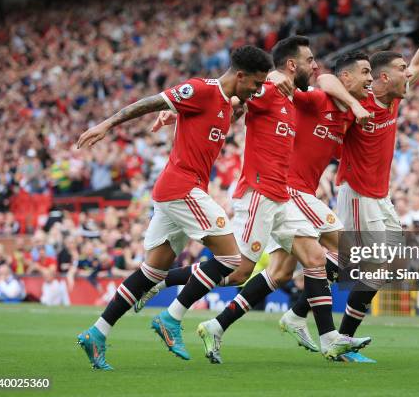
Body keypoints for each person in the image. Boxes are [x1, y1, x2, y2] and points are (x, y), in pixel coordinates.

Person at [139, 37, 372, 363]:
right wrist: (178, 115)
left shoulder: (295, 100)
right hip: (261, 193)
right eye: (309, 60)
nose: (316, 66)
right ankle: (162, 286)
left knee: (313, 260)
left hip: (281, 197)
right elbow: (232, 98)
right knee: (238, 272)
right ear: (292, 65)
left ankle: (329, 336)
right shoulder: (275, 90)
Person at [75, 45, 273, 370]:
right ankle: (172, 317)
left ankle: (96, 333)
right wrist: (107, 125)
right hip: (181, 187)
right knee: (230, 259)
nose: (257, 89)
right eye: (255, 83)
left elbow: (228, 111)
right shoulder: (200, 89)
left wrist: (180, 114)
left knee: (152, 271)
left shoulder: (228, 103)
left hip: (177, 190)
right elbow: (149, 102)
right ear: (240, 75)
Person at [309, 14, 419, 362]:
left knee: (382, 267)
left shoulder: (394, 96)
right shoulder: (361, 100)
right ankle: (327, 330)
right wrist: (355, 104)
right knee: (361, 264)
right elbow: (325, 79)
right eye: (402, 69)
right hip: (357, 193)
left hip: (380, 196)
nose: (410, 73)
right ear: (385, 77)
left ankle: (326, 327)